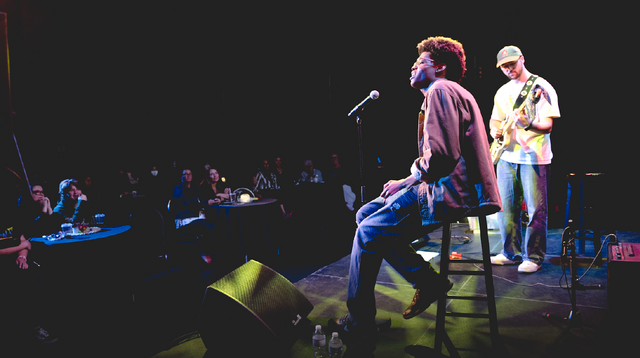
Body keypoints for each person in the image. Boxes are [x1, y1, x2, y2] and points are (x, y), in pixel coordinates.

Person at [329, 36, 501, 355]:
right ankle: (422, 281)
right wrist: (405, 182)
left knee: (368, 232)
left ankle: (362, 323)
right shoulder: (442, 94)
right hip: (439, 186)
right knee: (364, 216)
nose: (413, 66)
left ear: (440, 68)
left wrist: (408, 179)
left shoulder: (440, 90)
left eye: (421, 62)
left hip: (447, 192)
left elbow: (442, 157)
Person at [488, 46, 560, 273]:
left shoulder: (541, 87)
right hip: (507, 155)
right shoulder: (501, 92)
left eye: (512, 64)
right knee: (506, 208)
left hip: (533, 157)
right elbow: (494, 121)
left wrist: (526, 124)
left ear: (522, 60)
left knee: (536, 209)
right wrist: (495, 132)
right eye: (504, 66)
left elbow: (548, 125)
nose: (509, 69)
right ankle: (510, 253)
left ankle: (534, 257)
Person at [171, 168, 217, 263]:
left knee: (217, 223)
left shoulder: (195, 189)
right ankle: (203, 252)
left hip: (197, 218)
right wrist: (206, 203)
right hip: (186, 220)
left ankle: (209, 252)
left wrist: (215, 200)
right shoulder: (178, 190)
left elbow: (203, 200)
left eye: (189, 174)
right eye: (185, 174)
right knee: (211, 228)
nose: (187, 176)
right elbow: (188, 203)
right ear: (181, 177)